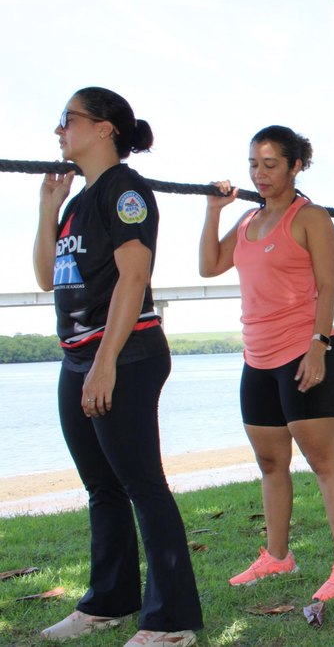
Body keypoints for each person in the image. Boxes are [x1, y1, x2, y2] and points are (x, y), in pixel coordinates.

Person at [34, 87, 202, 646]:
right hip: (77, 356)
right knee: (101, 486)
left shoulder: (125, 190)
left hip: (125, 356)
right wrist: (46, 210)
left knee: (143, 485)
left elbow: (134, 279)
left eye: (68, 119)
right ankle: (110, 600)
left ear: (104, 128)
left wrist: (106, 364)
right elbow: (46, 277)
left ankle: (173, 621)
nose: (59, 131)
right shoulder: (82, 200)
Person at [200, 125, 334, 601]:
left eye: (271, 164)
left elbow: (330, 286)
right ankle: (277, 556)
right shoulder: (248, 221)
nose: (260, 173)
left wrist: (318, 343)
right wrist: (213, 213)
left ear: (296, 166)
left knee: (322, 458)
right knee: (271, 461)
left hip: (304, 350)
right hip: (257, 356)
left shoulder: (309, 217)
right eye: (254, 163)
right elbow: (209, 265)